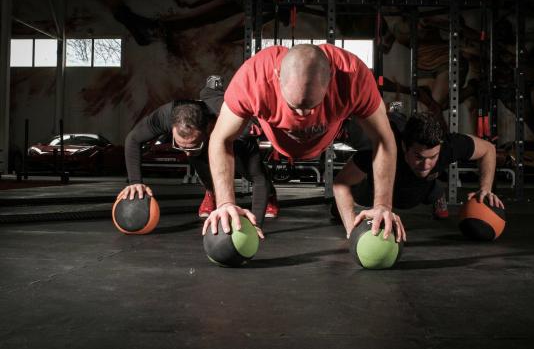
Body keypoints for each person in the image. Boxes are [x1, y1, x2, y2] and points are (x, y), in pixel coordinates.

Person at [203, 44, 401, 242]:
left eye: (311, 107)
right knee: (228, 121)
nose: (303, 115)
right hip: (269, 131)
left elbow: (384, 139)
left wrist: (383, 205)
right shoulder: (254, 76)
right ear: (277, 75)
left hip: (333, 131)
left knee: (384, 127)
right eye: (294, 107)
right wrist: (225, 203)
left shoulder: (354, 75)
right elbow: (220, 138)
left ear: (330, 78)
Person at [118, 76, 277, 225]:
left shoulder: (236, 126)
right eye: (180, 145)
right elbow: (132, 139)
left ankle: (270, 196)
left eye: (192, 144)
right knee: (196, 156)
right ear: (172, 126)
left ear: (208, 129)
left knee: (249, 172)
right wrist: (135, 182)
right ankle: (211, 191)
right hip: (204, 132)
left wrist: (256, 224)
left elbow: (258, 179)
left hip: (230, 134)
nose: (185, 153)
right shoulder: (166, 115)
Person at [332, 110, 505, 239]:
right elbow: (341, 184)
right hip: (372, 192)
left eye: (433, 157)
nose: (427, 163)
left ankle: (438, 196)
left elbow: (488, 149)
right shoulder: (381, 151)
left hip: (422, 190)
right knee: (344, 205)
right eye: (419, 157)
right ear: (404, 147)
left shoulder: (448, 147)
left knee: (430, 184)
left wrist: (485, 188)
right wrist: (352, 231)